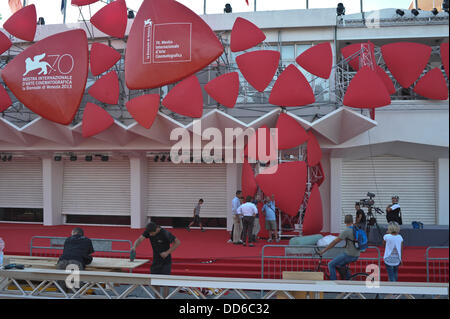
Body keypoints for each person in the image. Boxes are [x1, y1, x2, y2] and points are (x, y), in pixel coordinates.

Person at [318, 215, 360, 280]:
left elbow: (334, 242)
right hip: (356, 254)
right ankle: (348, 280)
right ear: (352, 221)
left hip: (349, 254)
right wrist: (346, 246)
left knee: (331, 264)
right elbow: (352, 240)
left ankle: (333, 284)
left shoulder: (346, 231)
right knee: (340, 265)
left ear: (344, 221)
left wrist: (324, 250)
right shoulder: (356, 229)